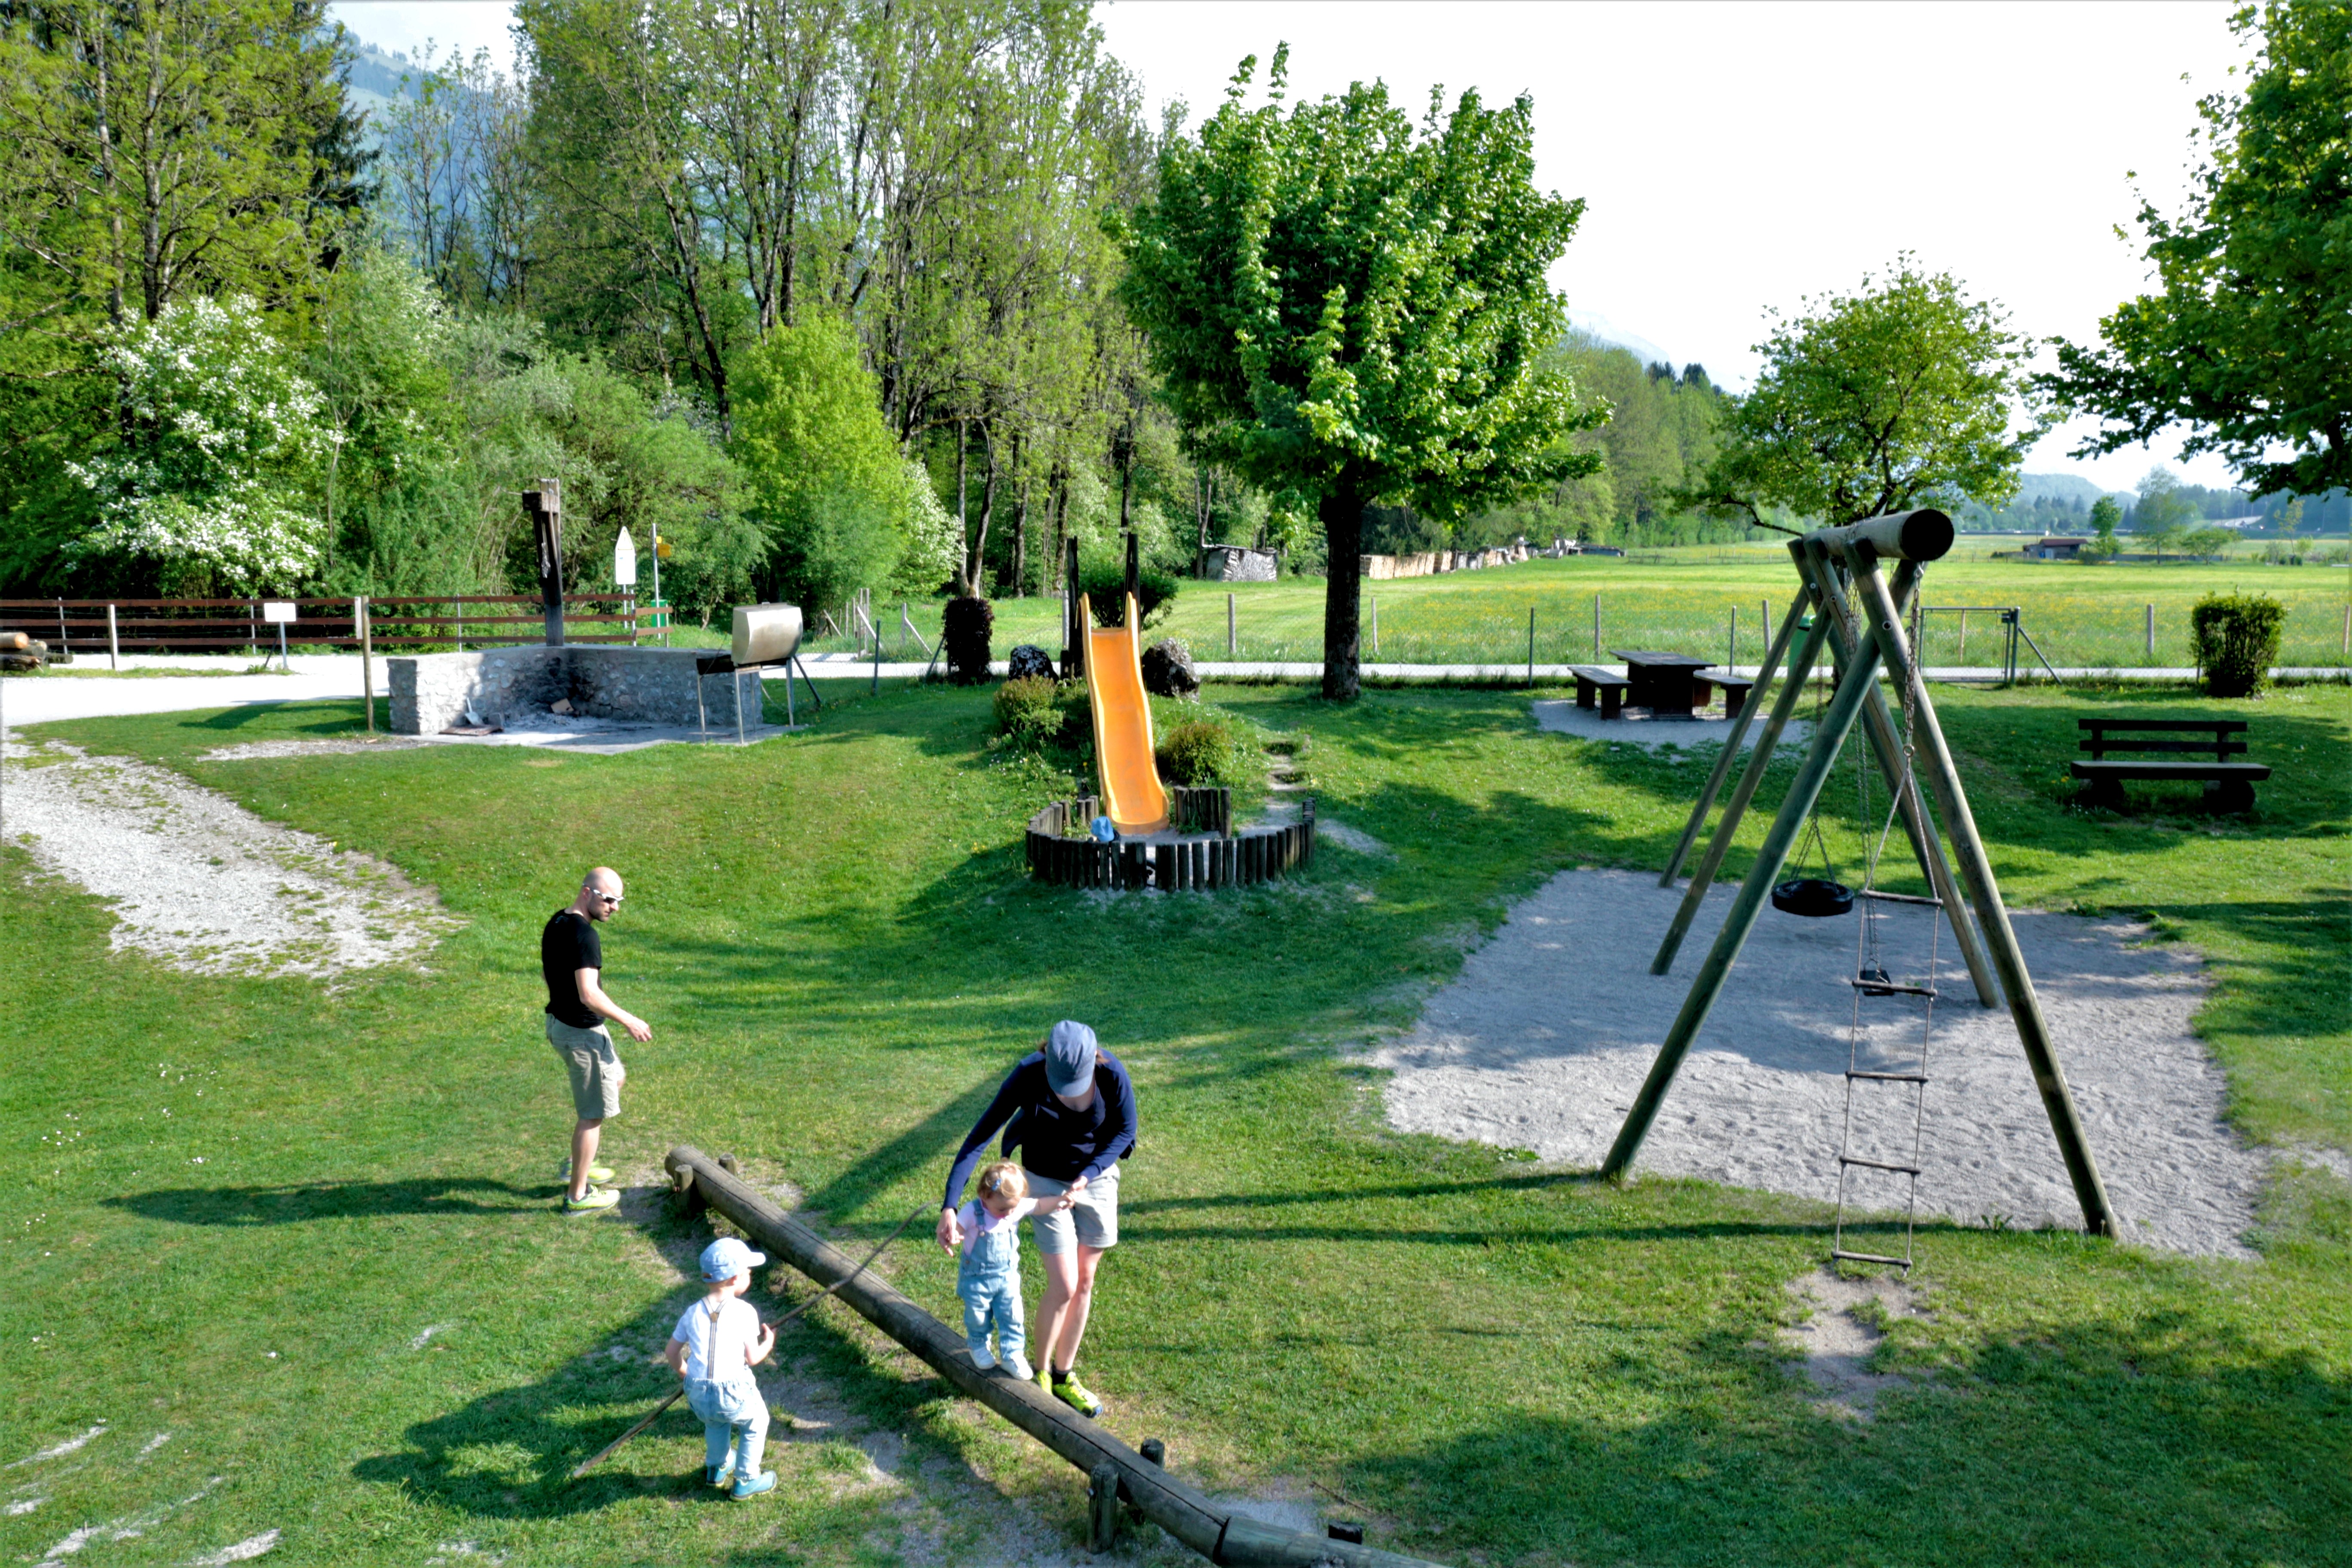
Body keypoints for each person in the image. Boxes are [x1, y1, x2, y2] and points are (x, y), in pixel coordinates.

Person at [938, 1020, 1136, 1418]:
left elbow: (1125, 1130)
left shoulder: (1112, 1074)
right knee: (1063, 1284)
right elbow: (978, 1139)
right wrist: (949, 1205)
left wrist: (1090, 1173)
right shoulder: (1029, 1074)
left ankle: (1064, 1375)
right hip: (1044, 1178)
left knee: (1085, 1280)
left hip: (1094, 1177)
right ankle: (1042, 1373)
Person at [543, 867, 652, 1214]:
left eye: (618, 901)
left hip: (562, 1024)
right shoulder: (584, 936)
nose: (615, 908)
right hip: (581, 1033)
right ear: (587, 893)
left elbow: (547, 970)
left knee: (615, 1078)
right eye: (609, 900)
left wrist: (561, 1000)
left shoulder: (558, 921)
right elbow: (589, 994)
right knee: (593, 1115)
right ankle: (578, 1195)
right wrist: (630, 1020)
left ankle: (580, 1162)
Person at [663, 1237, 778, 1499]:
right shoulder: (745, 1312)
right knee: (756, 1423)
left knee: (715, 1424)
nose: (751, 1276)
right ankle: (747, 1479)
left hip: (698, 1390)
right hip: (733, 1389)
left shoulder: (693, 1312)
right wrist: (768, 1343)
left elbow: (671, 1352)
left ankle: (717, 1467)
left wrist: (686, 1373)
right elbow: (753, 1358)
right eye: (749, 1272)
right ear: (736, 1279)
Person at [947, 1161, 1039, 1381]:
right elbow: (957, 1229)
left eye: (1013, 1209)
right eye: (1002, 1209)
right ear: (984, 1195)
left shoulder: (1012, 1209)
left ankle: (1013, 1355)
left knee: (1013, 1316)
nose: (1008, 1214)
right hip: (977, 1280)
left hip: (1007, 1279)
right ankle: (978, 1346)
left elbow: (1038, 1206)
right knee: (978, 1317)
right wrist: (954, 1236)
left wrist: (1061, 1201)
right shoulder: (972, 1212)